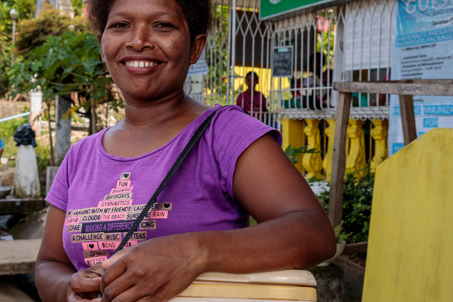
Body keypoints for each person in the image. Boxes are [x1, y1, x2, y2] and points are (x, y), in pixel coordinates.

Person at [35, 0, 336, 301]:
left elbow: (314, 234)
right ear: (103, 45)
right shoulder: (80, 156)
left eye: (162, 25)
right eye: (120, 25)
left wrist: (195, 252)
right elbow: (50, 263)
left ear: (195, 47)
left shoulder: (225, 134)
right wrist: (69, 290)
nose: (138, 40)